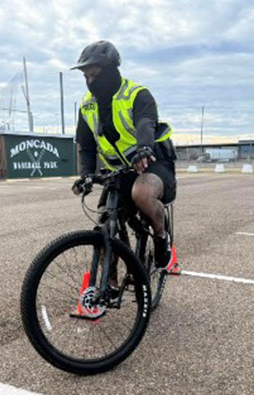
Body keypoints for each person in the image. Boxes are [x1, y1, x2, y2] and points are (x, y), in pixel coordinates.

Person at [70, 40, 177, 271]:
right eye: (86, 77)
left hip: (152, 163)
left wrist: (144, 148)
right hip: (119, 172)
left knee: (142, 193)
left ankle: (161, 236)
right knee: (103, 225)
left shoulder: (137, 94)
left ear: (110, 71)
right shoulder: (87, 106)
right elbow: (86, 146)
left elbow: (146, 124)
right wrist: (85, 175)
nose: (90, 82)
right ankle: (108, 285)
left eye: (94, 75)